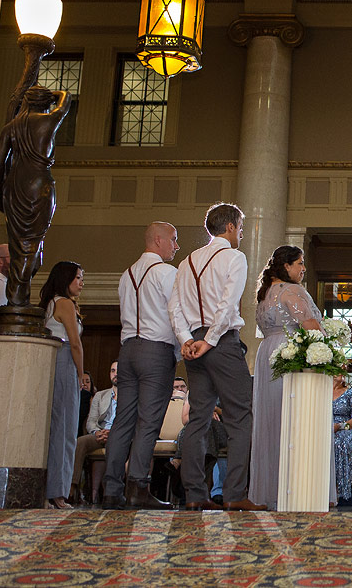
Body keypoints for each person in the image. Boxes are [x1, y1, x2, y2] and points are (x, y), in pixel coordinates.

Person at [169, 203, 265, 511]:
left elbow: (174, 308)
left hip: (194, 344)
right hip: (220, 343)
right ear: (232, 226)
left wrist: (187, 340)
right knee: (240, 417)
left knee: (198, 420)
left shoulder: (186, 262)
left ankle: (195, 495)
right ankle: (235, 494)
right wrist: (209, 342)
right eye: (240, 227)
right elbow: (227, 307)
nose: (241, 233)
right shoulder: (234, 257)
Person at [103, 221, 180, 510]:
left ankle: (111, 490)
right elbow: (176, 314)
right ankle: (138, 487)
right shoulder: (165, 272)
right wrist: (181, 347)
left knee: (123, 420)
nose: (176, 246)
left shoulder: (127, 275)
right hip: (155, 350)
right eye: (173, 240)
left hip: (127, 350)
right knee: (148, 422)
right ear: (158, 241)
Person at [249, 244, 323, 510]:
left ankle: (270, 489)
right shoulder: (292, 291)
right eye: (300, 264)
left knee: (272, 420)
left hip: (267, 353)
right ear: (286, 265)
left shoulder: (266, 293)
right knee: (294, 420)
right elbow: (311, 326)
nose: (303, 269)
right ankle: (297, 488)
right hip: (290, 355)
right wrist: (328, 349)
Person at [0, 86, 71, 306]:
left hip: (14, 185)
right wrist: (54, 93)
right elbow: (66, 99)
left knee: (20, 244)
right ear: (45, 102)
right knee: (31, 244)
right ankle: (18, 298)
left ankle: (18, 294)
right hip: (39, 185)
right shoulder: (48, 121)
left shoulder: (11, 127)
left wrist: (0, 192)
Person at [40, 261, 91, 509]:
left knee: (56, 427)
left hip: (53, 362)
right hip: (64, 361)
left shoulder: (50, 303)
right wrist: (82, 374)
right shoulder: (64, 303)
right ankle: (57, 492)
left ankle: (51, 490)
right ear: (66, 278)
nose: (82, 282)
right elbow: (74, 343)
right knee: (65, 427)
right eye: (78, 278)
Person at [72, 360, 117, 504]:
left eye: (118, 370)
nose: (115, 374)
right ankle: (72, 488)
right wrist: (97, 432)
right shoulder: (100, 395)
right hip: (99, 434)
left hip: (118, 435)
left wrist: (112, 432)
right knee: (80, 442)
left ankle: (112, 492)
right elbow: (91, 421)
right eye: (112, 371)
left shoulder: (132, 395)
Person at [332, 373, 352, 504]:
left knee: (339, 442)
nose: (338, 374)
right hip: (324, 428)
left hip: (346, 430)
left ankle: (339, 490)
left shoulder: (351, 393)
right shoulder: (320, 391)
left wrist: (340, 426)